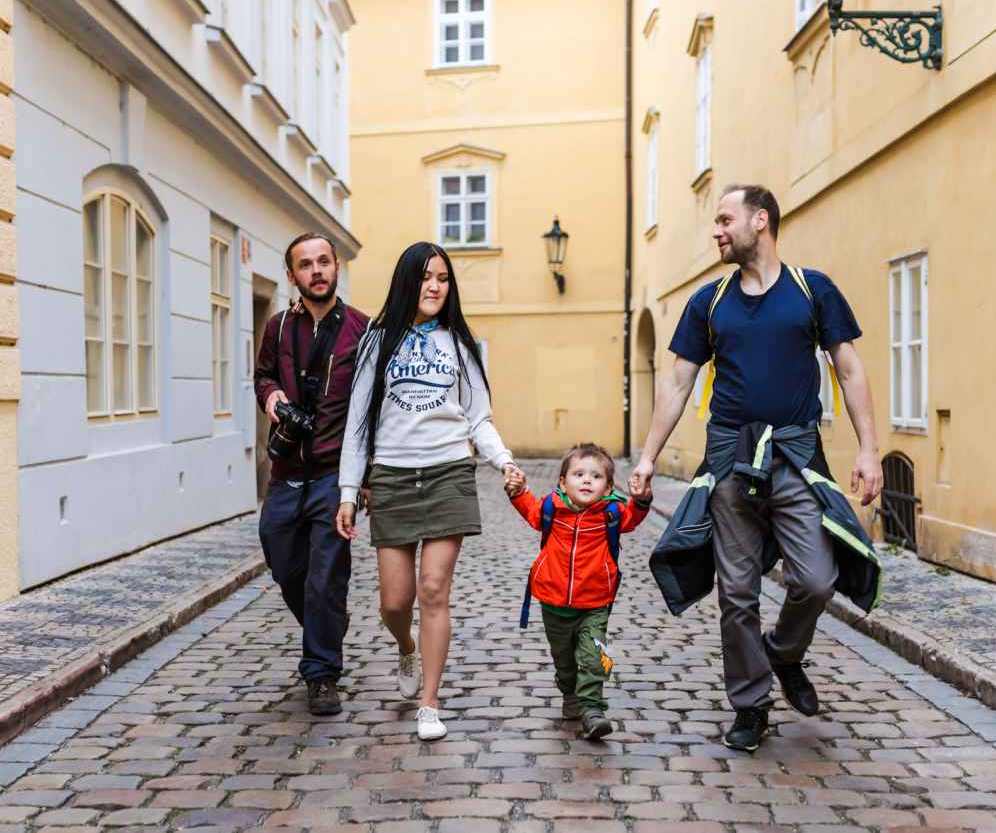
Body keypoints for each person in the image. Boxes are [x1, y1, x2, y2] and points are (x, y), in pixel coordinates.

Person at [630, 184, 884, 752]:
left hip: (796, 457)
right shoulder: (709, 302)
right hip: (729, 459)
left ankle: (784, 652)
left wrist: (868, 449)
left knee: (817, 578)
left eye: (725, 219)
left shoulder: (811, 290)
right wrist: (647, 457)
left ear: (760, 221)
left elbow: (848, 367)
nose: (716, 231)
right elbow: (677, 382)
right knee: (736, 592)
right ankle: (750, 704)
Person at [336, 241, 523, 741]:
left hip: (448, 473)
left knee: (433, 591)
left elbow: (478, 417)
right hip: (394, 477)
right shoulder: (377, 343)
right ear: (405, 284)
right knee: (394, 603)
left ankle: (430, 702)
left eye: (442, 277)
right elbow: (358, 423)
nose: (435, 286)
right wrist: (349, 492)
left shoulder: (460, 345)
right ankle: (406, 646)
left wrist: (503, 460)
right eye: (424, 278)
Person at [253, 232, 371, 716]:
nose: (317, 270)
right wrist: (271, 398)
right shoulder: (278, 328)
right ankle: (327, 624)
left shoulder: (363, 330)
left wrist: (364, 479)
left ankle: (321, 673)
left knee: (326, 575)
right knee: (283, 559)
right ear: (291, 276)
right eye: (306, 264)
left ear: (337, 266)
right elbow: (262, 376)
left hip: (334, 473)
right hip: (285, 470)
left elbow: (374, 407)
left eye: (324, 261)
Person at [504, 443, 651, 741]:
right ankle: (569, 691)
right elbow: (530, 510)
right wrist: (517, 491)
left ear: (608, 486)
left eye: (596, 477)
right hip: (553, 602)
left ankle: (593, 710)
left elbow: (632, 518)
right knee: (564, 660)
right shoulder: (551, 508)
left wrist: (642, 499)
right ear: (562, 482)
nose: (586, 480)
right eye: (579, 474)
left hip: (595, 603)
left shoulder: (611, 512)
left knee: (594, 656)